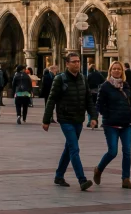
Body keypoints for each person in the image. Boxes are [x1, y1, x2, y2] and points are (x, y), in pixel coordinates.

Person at [42, 52, 96, 191]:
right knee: (74, 148)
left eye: (78, 61)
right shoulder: (60, 79)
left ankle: (59, 175)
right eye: (74, 62)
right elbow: (51, 99)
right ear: (67, 63)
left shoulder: (83, 79)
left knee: (69, 148)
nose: (77, 64)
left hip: (78, 118)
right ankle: (82, 180)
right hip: (65, 119)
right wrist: (46, 119)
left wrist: (93, 117)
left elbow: (88, 99)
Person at [93, 62, 131, 189]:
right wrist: (108, 115)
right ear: (110, 71)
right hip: (111, 124)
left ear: (122, 72)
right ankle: (99, 169)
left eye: (119, 69)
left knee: (127, 152)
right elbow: (99, 105)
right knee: (112, 152)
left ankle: (126, 179)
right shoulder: (105, 86)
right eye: (114, 69)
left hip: (126, 124)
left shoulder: (126, 85)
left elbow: (130, 101)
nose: (117, 71)